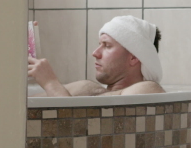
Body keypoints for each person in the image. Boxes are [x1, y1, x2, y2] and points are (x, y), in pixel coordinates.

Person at [28, 15, 165, 96]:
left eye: (107, 46)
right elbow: (23, 106)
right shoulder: (86, 88)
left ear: (134, 57)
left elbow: (77, 130)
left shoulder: (147, 90)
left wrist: (50, 83)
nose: (95, 53)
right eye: (99, 44)